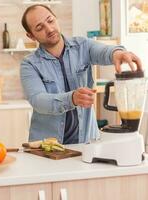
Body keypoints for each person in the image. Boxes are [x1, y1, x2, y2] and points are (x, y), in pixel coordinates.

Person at [20, 5, 142, 144]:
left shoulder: (82, 46)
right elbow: (39, 101)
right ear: (31, 36)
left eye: (50, 20)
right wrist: (72, 98)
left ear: (56, 18)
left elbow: (103, 51)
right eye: (40, 28)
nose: (49, 28)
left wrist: (118, 53)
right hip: (47, 147)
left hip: (86, 143)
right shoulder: (29, 64)